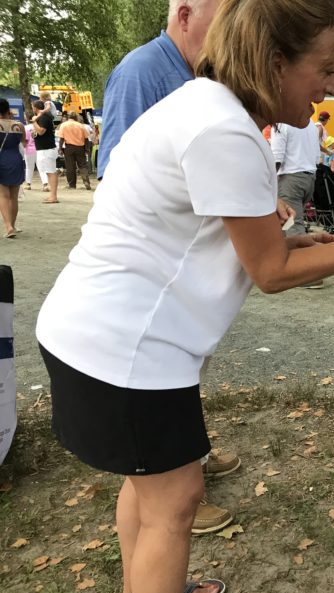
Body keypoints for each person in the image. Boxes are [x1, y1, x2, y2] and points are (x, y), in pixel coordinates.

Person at [35, 3, 334, 593]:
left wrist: (295, 243)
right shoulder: (224, 129)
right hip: (127, 352)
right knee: (173, 505)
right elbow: (273, 272)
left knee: (147, 490)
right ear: (275, 61)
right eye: (325, 68)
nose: (333, 85)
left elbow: (224, 242)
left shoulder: (207, 107)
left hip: (93, 335)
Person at [96, 0, 256, 550]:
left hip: (174, 289)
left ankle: (189, 462)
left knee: (177, 387)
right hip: (147, 285)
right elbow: (120, 164)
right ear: (186, 15)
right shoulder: (144, 71)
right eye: (228, 16)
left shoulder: (199, 77)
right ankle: (179, 483)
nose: (239, 30)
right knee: (162, 478)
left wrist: (246, 207)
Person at [97, 0, 220, 179]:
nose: (228, 37)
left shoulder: (203, 73)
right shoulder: (138, 73)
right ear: (185, 17)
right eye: (220, 26)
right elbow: (115, 176)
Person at [0, 98, 25, 238]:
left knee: (3, 195)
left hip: (1, 159)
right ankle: (13, 225)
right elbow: (23, 145)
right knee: (13, 197)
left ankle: (8, 226)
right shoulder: (19, 125)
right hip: (15, 159)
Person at [31, 100, 59, 204]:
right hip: (44, 149)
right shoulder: (43, 117)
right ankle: (52, 195)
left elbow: (41, 131)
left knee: (51, 172)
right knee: (48, 172)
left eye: (33, 107)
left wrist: (34, 122)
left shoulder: (43, 117)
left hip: (47, 149)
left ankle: (53, 196)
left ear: (36, 108)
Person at [58, 112, 91, 190]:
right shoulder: (81, 126)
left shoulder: (63, 125)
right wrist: (87, 149)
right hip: (80, 148)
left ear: (68, 117)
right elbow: (86, 139)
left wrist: (60, 148)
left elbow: (61, 139)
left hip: (69, 148)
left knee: (70, 167)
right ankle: (86, 181)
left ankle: (72, 185)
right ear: (76, 117)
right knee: (83, 165)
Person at [23, 111, 40, 191]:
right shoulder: (37, 126)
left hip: (29, 149)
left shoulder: (26, 128)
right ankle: (45, 184)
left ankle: (28, 184)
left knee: (29, 168)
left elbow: (25, 140)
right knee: (41, 167)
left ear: (26, 117)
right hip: (39, 148)